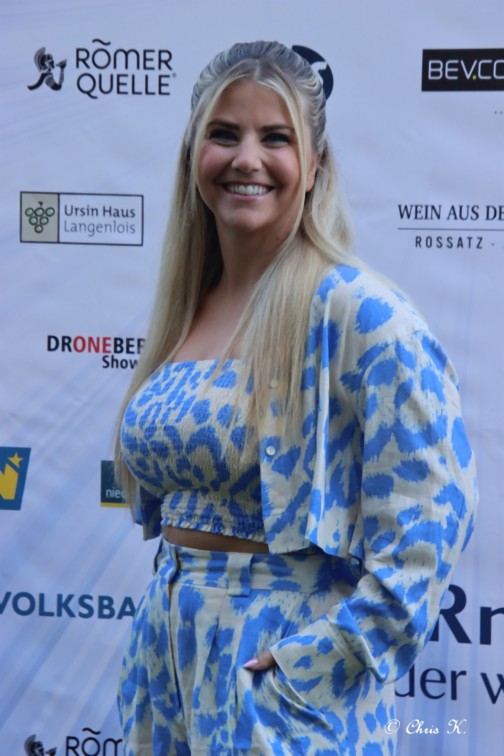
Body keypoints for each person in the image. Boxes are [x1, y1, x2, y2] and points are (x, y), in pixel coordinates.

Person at [116, 40, 477, 755]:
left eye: (275, 138)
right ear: (193, 155)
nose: (247, 159)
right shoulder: (185, 309)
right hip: (166, 662)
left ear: (315, 166)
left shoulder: (358, 313)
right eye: (224, 134)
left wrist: (311, 666)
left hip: (280, 687)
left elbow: (431, 528)